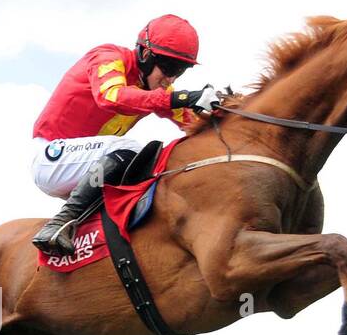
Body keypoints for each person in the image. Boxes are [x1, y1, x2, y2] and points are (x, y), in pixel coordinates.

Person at [30, 14, 222, 256]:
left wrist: (229, 111)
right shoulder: (107, 56)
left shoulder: (157, 89)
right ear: (144, 54)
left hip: (88, 169)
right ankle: (60, 223)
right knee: (132, 149)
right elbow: (111, 96)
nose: (171, 79)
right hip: (52, 160)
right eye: (169, 67)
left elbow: (193, 123)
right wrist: (181, 97)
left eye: (180, 71)